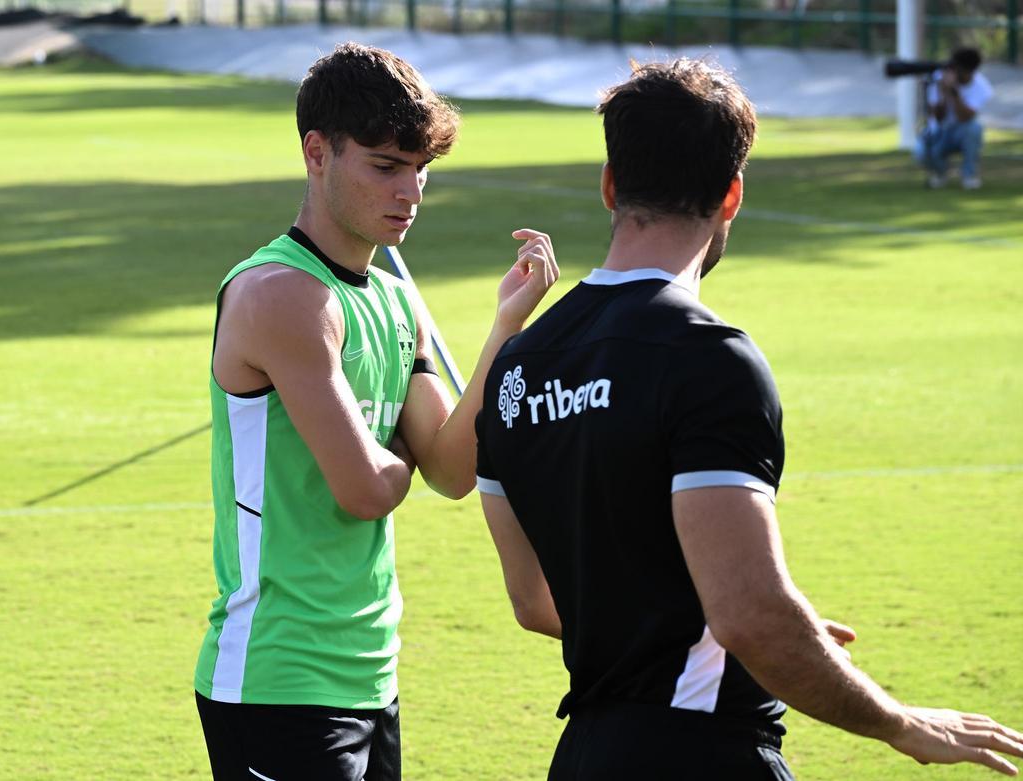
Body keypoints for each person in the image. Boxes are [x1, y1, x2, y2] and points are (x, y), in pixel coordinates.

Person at [475, 58, 1023, 779]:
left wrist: (722, 629)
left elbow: (536, 599)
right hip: (702, 754)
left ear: (610, 185)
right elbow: (749, 615)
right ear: (731, 194)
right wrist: (901, 721)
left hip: (582, 756)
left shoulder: (516, 367)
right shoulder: (708, 357)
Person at [193, 42, 558, 781]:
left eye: (421, 170)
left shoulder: (395, 302)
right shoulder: (281, 296)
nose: (411, 192)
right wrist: (400, 452)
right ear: (317, 153)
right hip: (277, 674)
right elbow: (365, 490)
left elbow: (452, 468)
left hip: (369, 670)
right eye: (386, 167)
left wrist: (504, 328)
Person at [917, 46, 993, 190]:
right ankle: (940, 173)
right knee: (920, 151)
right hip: (940, 131)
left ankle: (969, 176)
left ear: (969, 71)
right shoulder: (939, 79)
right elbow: (938, 118)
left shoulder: (981, 87)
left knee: (974, 129)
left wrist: (955, 92)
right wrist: (943, 94)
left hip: (961, 131)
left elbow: (964, 117)